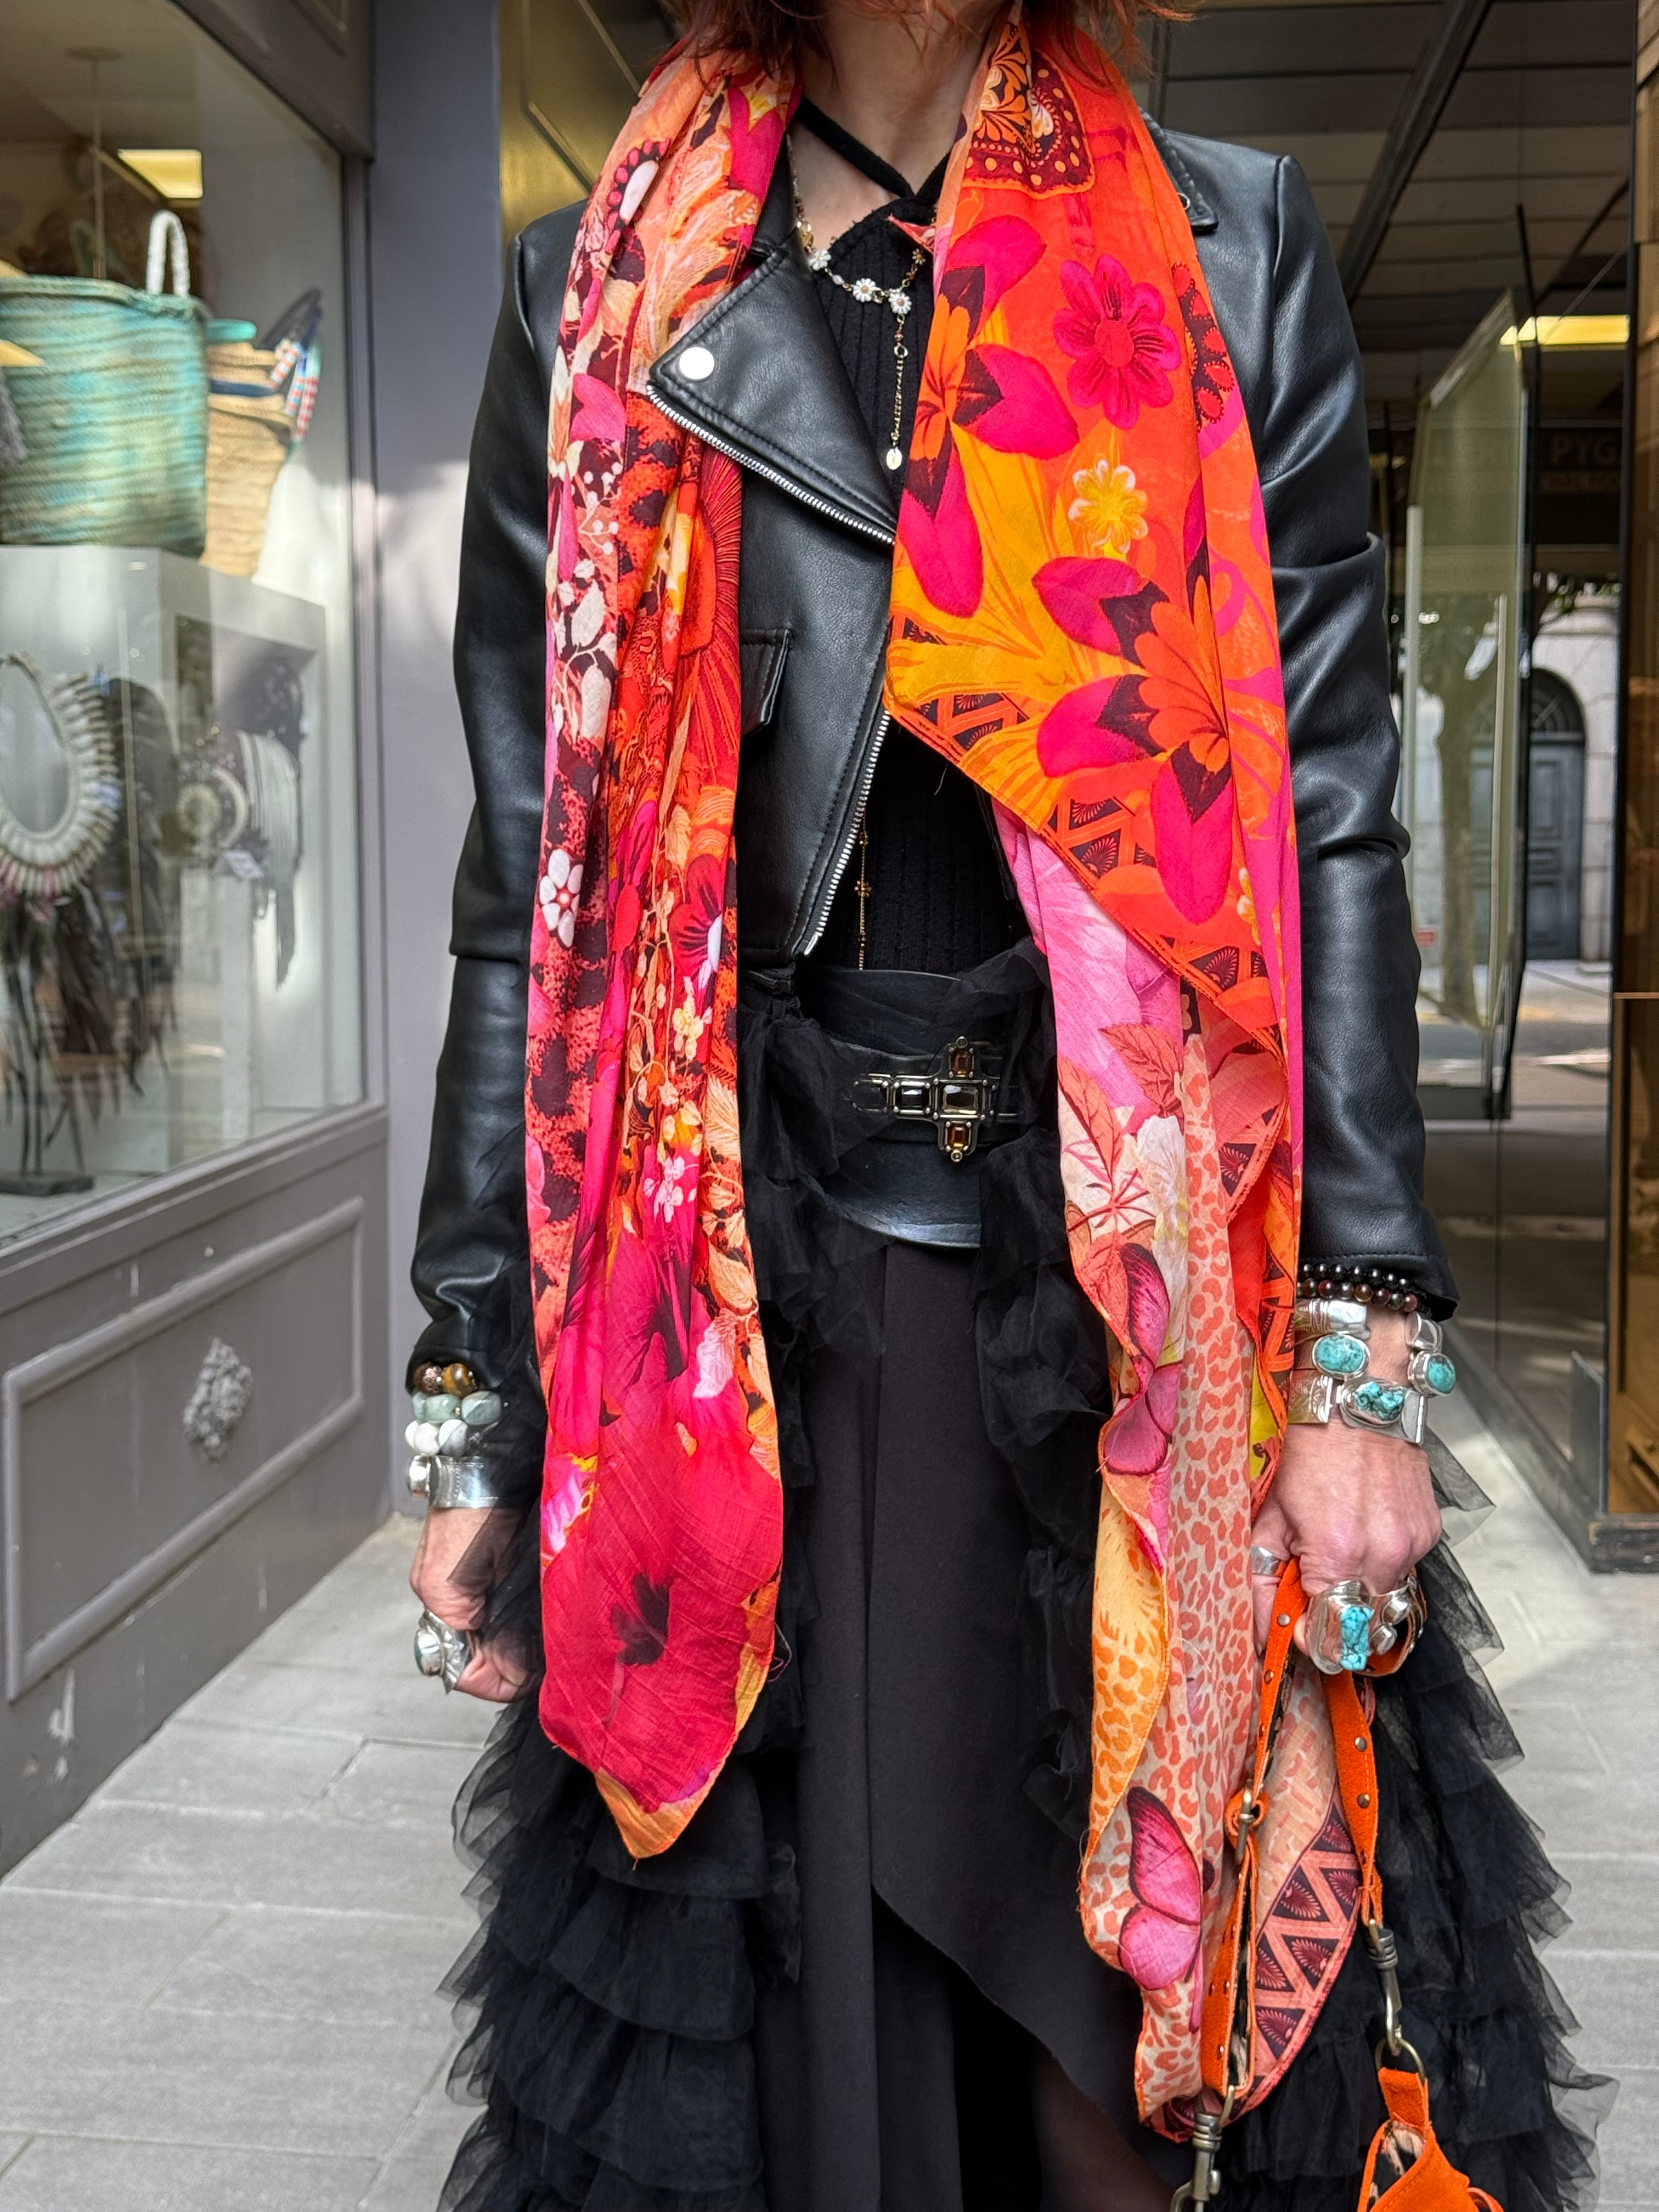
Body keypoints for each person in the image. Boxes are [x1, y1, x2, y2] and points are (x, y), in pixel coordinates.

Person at [404, 0, 1609, 2204]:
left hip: (1149, 1327)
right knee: (807, 2086)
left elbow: (1333, 823)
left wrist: (1361, 1352)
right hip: (751, 1336)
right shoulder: (596, 286)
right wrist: (473, 1384)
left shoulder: (1228, 247)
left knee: (1147, 2077)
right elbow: (537, 886)